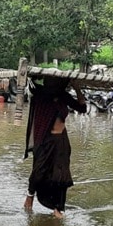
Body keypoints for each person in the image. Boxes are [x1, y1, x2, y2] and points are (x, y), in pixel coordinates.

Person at [23, 78, 87, 217]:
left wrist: (77, 88)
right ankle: (29, 197)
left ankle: (59, 209)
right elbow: (30, 86)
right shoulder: (40, 94)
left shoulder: (64, 96)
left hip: (61, 142)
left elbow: (83, 108)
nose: (52, 84)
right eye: (50, 81)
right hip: (45, 139)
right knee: (39, 170)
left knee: (61, 174)